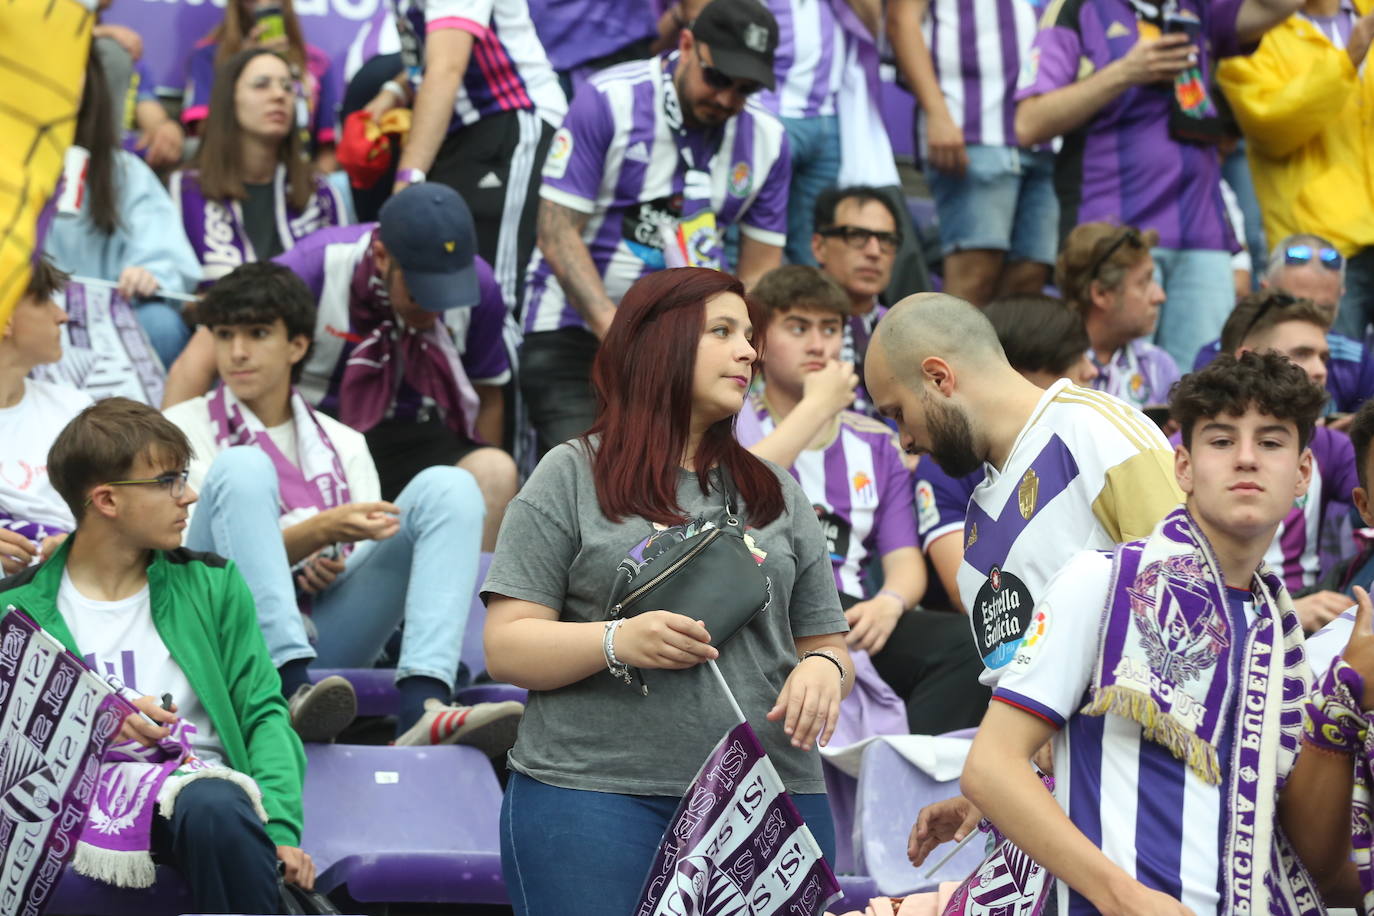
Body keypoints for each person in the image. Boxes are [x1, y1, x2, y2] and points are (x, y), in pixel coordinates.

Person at [483, 267, 852, 914]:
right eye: (722, 331)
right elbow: (507, 646)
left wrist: (823, 668)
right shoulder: (570, 475)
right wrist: (617, 640)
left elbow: (826, 644)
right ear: (659, 343)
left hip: (768, 798)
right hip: (594, 795)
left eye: (749, 335)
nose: (748, 350)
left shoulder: (776, 491)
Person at [960, 351, 1365, 916]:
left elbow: (1309, 845)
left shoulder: (1285, 635)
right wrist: (1120, 896)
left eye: (1271, 442)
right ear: (1183, 468)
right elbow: (990, 768)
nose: (1246, 459)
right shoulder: (1100, 582)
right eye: (1221, 441)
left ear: (1301, 475)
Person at [865, 293, 1182, 869]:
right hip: (1073, 823)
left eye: (896, 413)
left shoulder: (1095, 430)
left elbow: (1191, 605)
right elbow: (1032, 714)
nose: (904, 442)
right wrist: (985, 798)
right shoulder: (976, 534)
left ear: (938, 378)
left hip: (1155, 805)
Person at [164, 262, 522, 748]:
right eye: (224, 335)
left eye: (257, 333)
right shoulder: (177, 429)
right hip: (225, 637)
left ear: (298, 345)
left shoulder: (344, 441)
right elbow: (190, 565)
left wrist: (330, 558)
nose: (238, 352)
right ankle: (285, 689)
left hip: (330, 636)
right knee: (243, 467)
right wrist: (319, 534)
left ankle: (424, 704)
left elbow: (360, 552)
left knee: (451, 486)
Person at [0, 397, 311, 911]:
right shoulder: (16, 610)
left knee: (215, 803)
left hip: (204, 808)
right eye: (168, 481)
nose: (188, 496)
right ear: (106, 500)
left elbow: (263, 712)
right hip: (70, 810)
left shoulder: (212, 584)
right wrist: (93, 723)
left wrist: (277, 826)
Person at [163, 184, 517, 551]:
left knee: (495, 471)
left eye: (447, 296)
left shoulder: (480, 285)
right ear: (382, 256)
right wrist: (165, 469)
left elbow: (487, 394)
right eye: (420, 293)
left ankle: (478, 602)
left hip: (420, 430)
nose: (434, 309)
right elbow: (201, 357)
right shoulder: (314, 265)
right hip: (320, 432)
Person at [520, 0, 790, 455]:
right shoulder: (610, 99)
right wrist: (623, 335)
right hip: (578, 333)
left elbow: (760, 270)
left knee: (683, 498)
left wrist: (731, 344)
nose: (727, 99)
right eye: (718, 78)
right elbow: (556, 232)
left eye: (744, 90)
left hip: (695, 351)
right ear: (686, 44)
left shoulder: (769, 141)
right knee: (590, 481)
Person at [743, 265, 990, 734]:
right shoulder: (733, 424)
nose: (818, 345)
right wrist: (818, 405)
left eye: (830, 329)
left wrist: (890, 602)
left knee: (967, 644)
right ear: (760, 343)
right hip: (757, 596)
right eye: (798, 328)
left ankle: (906, 781)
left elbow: (904, 562)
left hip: (847, 608)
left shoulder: (878, 444)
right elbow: (737, 494)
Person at [1014, 0, 1302, 368]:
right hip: (1114, 236)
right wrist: (1125, 72)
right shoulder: (1078, 8)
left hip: (1202, 235)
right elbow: (1028, 123)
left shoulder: (1196, 6)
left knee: (1202, 388)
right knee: (1108, 382)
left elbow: (1284, 5)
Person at [364, 0, 567, 310]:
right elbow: (432, 54)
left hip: (510, 119)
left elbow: (447, 67)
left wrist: (407, 178)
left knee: (497, 293)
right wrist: (395, 90)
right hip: (461, 133)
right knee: (450, 290)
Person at [914, 293, 1099, 615]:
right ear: (1019, 370)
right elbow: (965, 593)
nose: (1091, 370)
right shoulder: (946, 465)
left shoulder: (1089, 437)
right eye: (1074, 357)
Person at [1216, 2, 1374, 342]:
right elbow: (1270, 124)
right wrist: (1351, 55)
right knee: (1323, 381)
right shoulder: (1246, 29)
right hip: (1320, 246)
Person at [888, 0, 1057, 306]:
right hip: (971, 128)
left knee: (1028, 284)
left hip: (1047, 137)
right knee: (973, 277)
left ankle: (1002, 357)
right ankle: (944, 355)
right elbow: (902, 21)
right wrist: (937, 113)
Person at [44, 52, 201, 369]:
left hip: (109, 317)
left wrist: (148, 274)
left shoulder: (124, 171)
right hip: (23, 313)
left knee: (160, 325)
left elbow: (163, 252)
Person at [1217, 289, 1360, 631]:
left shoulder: (1330, 445)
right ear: (1247, 359)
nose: (1320, 370)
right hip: (1220, 615)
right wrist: (1287, 612)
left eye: (1324, 358)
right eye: (1302, 354)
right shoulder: (1190, 446)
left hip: (1312, 615)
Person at [170, 48, 346, 289]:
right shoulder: (186, 188)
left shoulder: (321, 193)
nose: (279, 95)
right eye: (261, 85)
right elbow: (177, 294)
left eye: (287, 87)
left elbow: (339, 290)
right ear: (230, 99)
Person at [1194, 234, 1374, 419]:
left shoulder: (1357, 359)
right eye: (1295, 303)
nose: (1310, 317)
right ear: (1265, 291)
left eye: (1324, 309)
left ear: (1340, 297)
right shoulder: (1217, 355)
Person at [0, 260, 91, 575]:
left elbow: (124, 509)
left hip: (85, 580)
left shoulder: (76, 408)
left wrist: (74, 545)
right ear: (6, 317)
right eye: (44, 300)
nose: (62, 315)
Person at [181, 0, 338, 165]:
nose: (264, 3)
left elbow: (327, 150)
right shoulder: (209, 55)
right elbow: (203, 131)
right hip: (232, 167)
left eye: (286, 87)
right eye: (261, 85)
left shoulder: (316, 62)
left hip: (298, 172)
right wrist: (243, 63)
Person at [1056, 223, 1180, 411]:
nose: (1160, 296)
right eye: (1144, 282)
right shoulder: (1051, 367)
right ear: (1102, 294)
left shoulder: (1159, 366)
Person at [811, 185, 903, 418]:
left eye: (886, 240)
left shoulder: (906, 331)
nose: (874, 252)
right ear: (819, 247)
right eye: (857, 236)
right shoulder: (786, 326)